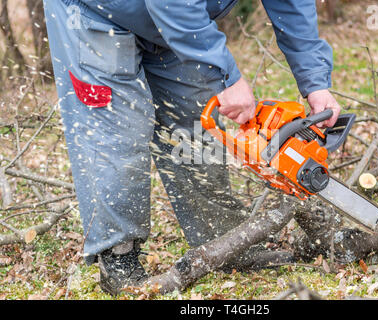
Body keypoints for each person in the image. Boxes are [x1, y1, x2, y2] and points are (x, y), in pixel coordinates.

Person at [43, 0, 341, 295]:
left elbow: (291, 3)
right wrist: (226, 76)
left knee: (196, 119)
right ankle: (118, 258)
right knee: (118, 131)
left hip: (176, 20)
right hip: (99, 13)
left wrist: (314, 81)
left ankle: (222, 240)